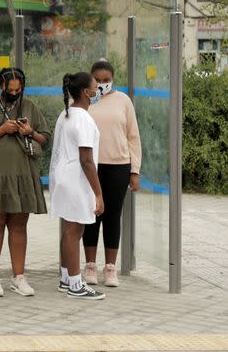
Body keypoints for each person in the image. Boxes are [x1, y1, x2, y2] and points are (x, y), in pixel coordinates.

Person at [0, 68, 51, 297]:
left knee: (19, 224)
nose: (14, 93)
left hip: (23, 174)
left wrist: (30, 131)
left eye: (18, 89)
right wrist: (3, 129)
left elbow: (45, 140)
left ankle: (19, 277)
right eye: (10, 89)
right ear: (1, 86)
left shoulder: (30, 106)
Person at [83, 60, 141, 287]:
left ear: (112, 80)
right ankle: (89, 266)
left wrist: (134, 171)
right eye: (98, 80)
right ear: (91, 79)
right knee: (92, 215)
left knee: (112, 216)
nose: (102, 84)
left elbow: (133, 137)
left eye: (106, 80)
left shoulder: (123, 101)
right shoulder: (83, 100)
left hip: (118, 166)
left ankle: (110, 268)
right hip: (91, 166)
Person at [49, 72, 105, 300]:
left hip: (64, 178)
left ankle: (66, 278)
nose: (98, 90)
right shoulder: (82, 118)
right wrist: (98, 194)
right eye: (95, 86)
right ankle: (75, 284)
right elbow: (86, 159)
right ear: (86, 92)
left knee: (69, 230)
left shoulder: (66, 114)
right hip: (76, 180)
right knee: (75, 231)